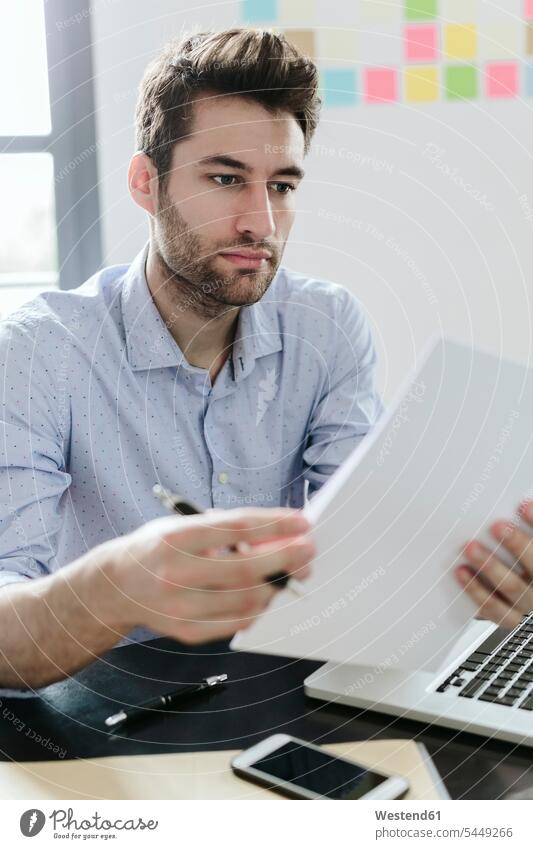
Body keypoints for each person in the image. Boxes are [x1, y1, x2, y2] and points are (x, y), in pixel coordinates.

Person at [0, 29, 383, 691]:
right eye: (225, 178)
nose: (259, 221)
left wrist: (461, 571)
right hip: (100, 692)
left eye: (282, 185)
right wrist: (121, 582)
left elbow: (362, 556)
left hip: (285, 679)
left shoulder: (327, 326)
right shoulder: (41, 350)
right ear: (146, 183)